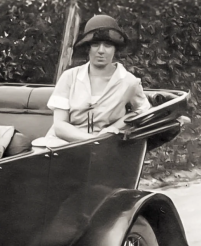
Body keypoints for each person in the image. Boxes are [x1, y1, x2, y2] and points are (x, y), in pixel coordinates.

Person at [41, 15, 152, 147]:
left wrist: (116, 127)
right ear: (88, 47)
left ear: (115, 49)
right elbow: (60, 125)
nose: (101, 51)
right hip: (62, 147)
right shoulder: (69, 77)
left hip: (106, 149)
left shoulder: (128, 81)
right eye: (95, 44)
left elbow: (143, 111)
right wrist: (92, 140)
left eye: (108, 45)